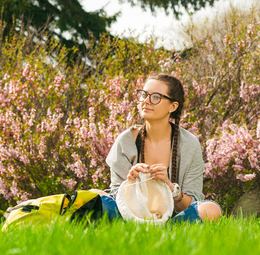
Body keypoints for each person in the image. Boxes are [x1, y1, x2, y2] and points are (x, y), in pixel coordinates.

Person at [95, 73, 222, 223]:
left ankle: (166, 231)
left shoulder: (189, 144)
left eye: (155, 97)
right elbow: (116, 197)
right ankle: (139, 229)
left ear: (173, 106)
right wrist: (129, 182)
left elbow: (192, 202)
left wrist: (170, 187)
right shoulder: (126, 141)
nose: (146, 101)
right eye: (144, 95)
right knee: (93, 196)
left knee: (210, 209)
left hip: (173, 219)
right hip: (129, 217)